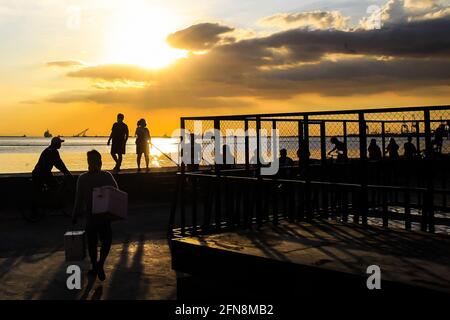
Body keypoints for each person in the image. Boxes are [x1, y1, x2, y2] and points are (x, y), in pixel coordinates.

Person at [72, 150, 118, 281]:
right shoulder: (106, 176)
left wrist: (74, 215)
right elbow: (117, 193)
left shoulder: (83, 178)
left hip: (95, 217)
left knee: (94, 243)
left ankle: (96, 265)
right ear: (100, 162)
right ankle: (99, 264)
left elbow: (78, 200)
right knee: (104, 242)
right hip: (100, 217)